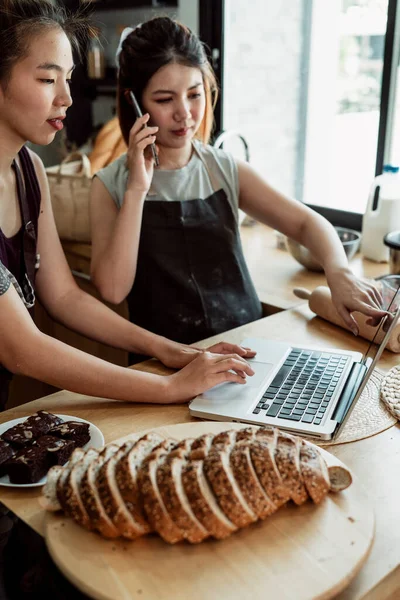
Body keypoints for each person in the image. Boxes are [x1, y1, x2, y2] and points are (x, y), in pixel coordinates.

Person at [0, 0, 256, 412]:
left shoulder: (30, 170)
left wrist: (170, 351)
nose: (66, 97)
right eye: (48, 79)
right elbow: (22, 349)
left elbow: (64, 297)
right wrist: (169, 388)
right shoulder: (104, 181)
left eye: (68, 78)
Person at [90, 17, 386, 354]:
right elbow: (112, 290)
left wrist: (339, 272)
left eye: (194, 94)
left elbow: (306, 223)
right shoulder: (109, 185)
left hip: (247, 352)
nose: (185, 114)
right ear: (135, 101)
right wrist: (136, 192)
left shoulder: (224, 168)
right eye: (164, 99)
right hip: (163, 368)